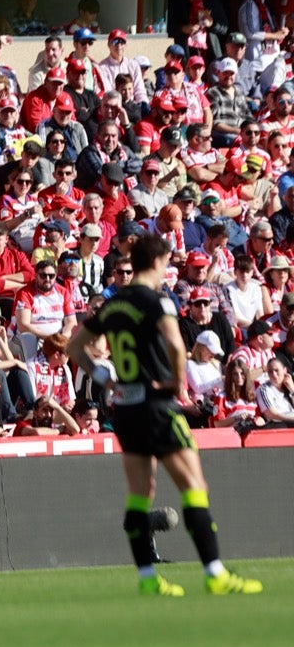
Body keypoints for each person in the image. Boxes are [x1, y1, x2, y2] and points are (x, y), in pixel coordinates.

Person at [68, 232, 262, 596]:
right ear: (157, 262)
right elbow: (175, 343)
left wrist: (103, 378)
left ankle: (146, 577)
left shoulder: (113, 305)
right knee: (194, 485)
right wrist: (177, 383)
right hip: (157, 406)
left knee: (140, 493)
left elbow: (75, 346)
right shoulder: (157, 301)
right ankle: (215, 572)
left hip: (125, 407)